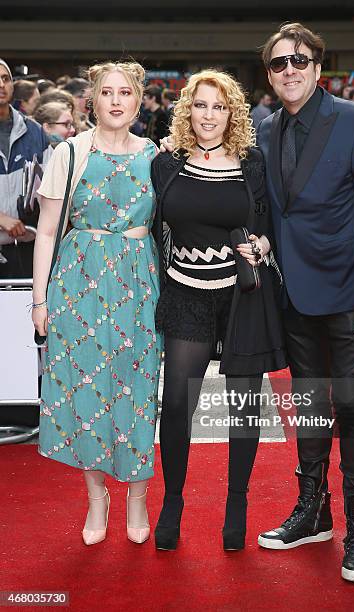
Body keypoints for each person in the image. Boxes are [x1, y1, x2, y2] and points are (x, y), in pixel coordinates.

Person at [255, 23, 354, 583]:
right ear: (269, 75)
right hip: (292, 294)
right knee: (310, 407)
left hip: (347, 294)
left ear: (318, 68)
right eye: (278, 63)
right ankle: (313, 512)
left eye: (299, 60)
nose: (289, 69)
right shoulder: (264, 130)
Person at [151, 69, 286, 552]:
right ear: (188, 109)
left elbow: (269, 221)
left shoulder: (252, 163)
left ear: (234, 114)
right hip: (186, 292)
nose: (210, 115)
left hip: (241, 296)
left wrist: (264, 243)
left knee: (243, 407)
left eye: (220, 106)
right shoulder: (166, 162)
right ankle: (171, 502)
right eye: (201, 105)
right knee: (177, 404)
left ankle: (237, 505)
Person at [32, 61, 162, 546]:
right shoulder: (69, 153)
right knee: (84, 393)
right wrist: (39, 301)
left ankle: (136, 496)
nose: (115, 101)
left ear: (137, 99)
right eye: (105, 92)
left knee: (138, 391)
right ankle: (96, 499)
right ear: (91, 100)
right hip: (78, 284)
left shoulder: (155, 154)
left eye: (124, 92)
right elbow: (46, 232)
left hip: (138, 286)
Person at [0, 59, 51, 279]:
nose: (1, 85)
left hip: (28, 249)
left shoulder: (34, 132)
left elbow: (51, 189)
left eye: (5, 78)